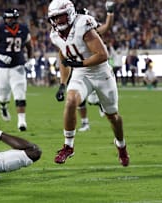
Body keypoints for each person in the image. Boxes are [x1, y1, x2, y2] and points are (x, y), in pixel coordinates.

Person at [48, 0, 129, 166]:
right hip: (81, 73)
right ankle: (68, 146)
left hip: (101, 73)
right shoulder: (55, 35)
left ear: (69, 14)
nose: (57, 22)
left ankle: (121, 145)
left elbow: (102, 54)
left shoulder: (82, 23)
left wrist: (81, 64)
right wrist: (62, 84)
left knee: (113, 117)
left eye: (60, 17)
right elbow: (63, 56)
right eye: (54, 18)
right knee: (71, 101)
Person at [0, 8, 35, 131]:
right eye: (8, 18)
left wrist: (30, 60)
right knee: (3, 96)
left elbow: (30, 47)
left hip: (18, 67)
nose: (10, 20)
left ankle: (22, 122)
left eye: (12, 18)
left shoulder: (23, 29)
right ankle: (3, 107)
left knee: (20, 94)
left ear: (16, 18)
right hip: (2, 68)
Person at [72, 2, 115, 132]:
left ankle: (102, 105)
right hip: (80, 69)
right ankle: (85, 123)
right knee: (78, 98)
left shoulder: (91, 30)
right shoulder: (69, 33)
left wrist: (110, 12)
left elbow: (106, 27)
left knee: (94, 98)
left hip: (97, 69)